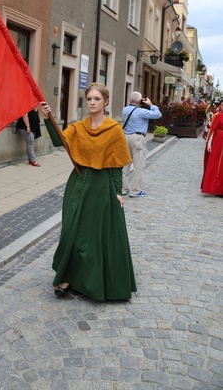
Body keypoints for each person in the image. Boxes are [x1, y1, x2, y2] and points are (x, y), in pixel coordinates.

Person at [40, 82, 136, 301]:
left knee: (91, 236)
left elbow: (116, 165)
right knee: (72, 232)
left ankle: (86, 281)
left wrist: (118, 192)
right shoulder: (78, 127)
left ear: (106, 101)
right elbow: (59, 141)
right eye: (89, 99)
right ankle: (68, 275)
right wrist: (47, 117)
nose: (92, 103)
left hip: (101, 188)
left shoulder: (114, 130)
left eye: (97, 99)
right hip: (77, 184)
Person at [122, 91, 162, 197]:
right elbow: (158, 114)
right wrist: (150, 104)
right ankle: (135, 190)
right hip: (137, 138)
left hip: (125, 137)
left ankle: (123, 189)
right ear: (139, 101)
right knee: (138, 165)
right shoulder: (141, 111)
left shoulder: (125, 110)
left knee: (125, 165)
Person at [201, 107, 223, 196]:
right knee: (216, 164)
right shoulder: (218, 116)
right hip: (219, 142)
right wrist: (209, 144)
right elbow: (213, 130)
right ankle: (215, 188)